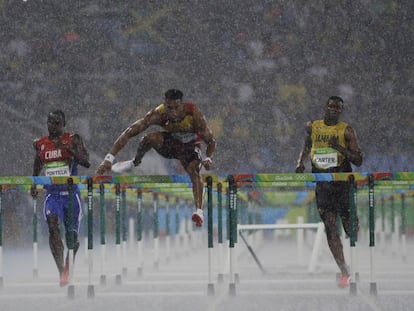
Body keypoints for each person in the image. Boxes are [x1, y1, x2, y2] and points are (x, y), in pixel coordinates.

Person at [96, 89, 216, 227]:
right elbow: (129, 132)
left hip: (190, 147)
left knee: (193, 170)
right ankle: (135, 162)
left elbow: (211, 141)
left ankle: (199, 212)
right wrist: (109, 159)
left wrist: (208, 158)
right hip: (171, 145)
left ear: (182, 105)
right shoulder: (158, 114)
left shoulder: (194, 113)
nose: (173, 112)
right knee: (148, 139)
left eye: (176, 108)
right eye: (169, 108)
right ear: (165, 106)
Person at [295, 96, 363, 288]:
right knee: (331, 229)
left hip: (342, 185)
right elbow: (307, 145)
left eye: (337, 108)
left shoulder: (347, 131)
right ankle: (344, 271)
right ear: (325, 107)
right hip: (323, 186)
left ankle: (354, 223)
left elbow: (358, 160)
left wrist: (338, 147)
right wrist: (300, 162)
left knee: (351, 231)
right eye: (331, 106)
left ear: (341, 111)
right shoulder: (312, 127)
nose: (333, 110)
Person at [31, 110, 90, 286]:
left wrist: (67, 149)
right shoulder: (40, 143)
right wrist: (34, 183)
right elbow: (38, 163)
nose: (53, 126)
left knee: (71, 239)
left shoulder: (73, 139)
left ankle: (68, 262)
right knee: (52, 227)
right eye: (50, 122)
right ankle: (62, 272)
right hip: (52, 195)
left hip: (71, 195)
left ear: (63, 124)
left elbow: (86, 162)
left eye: (57, 123)